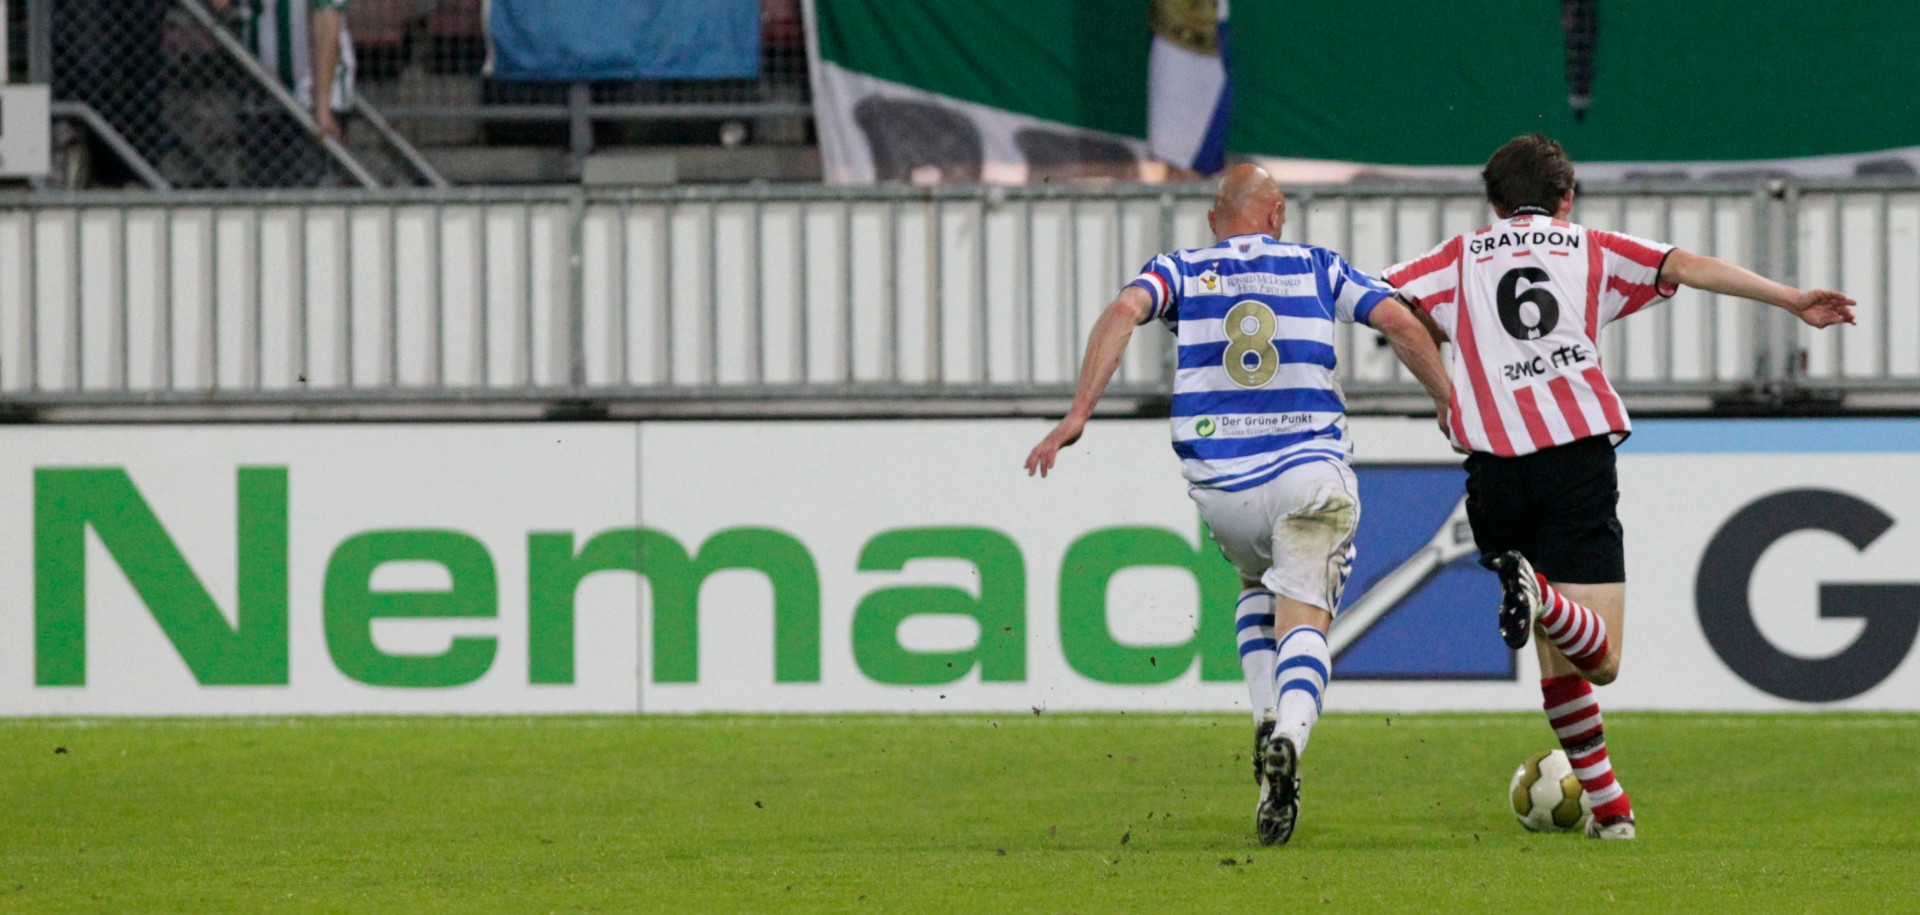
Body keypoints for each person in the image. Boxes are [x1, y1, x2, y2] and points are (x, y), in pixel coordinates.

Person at [1382, 134, 1857, 840]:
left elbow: (1390, 307)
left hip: (1493, 471)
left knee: (1557, 660)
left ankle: (1611, 812)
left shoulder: (1455, 258)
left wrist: (1445, 395)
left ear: (1494, 203)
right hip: (1573, 461)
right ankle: (1540, 592)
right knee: (1600, 659)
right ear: (1566, 198)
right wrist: (1790, 300)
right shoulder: (1588, 247)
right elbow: (1685, 265)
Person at [1025, 163, 1452, 846]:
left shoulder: (1181, 268)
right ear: (1276, 214)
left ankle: (1265, 725)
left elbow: (1123, 311)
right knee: (1306, 608)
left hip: (1223, 487)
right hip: (1308, 472)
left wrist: (1079, 411)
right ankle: (1288, 737)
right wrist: (1447, 399)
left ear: (1215, 219)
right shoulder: (1318, 266)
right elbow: (1398, 320)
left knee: (1258, 582)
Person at [212, 0, 358, 185]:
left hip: (311, 98)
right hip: (264, 95)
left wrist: (322, 108)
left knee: (303, 184)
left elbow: (327, 20)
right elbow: (220, 4)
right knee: (265, 187)